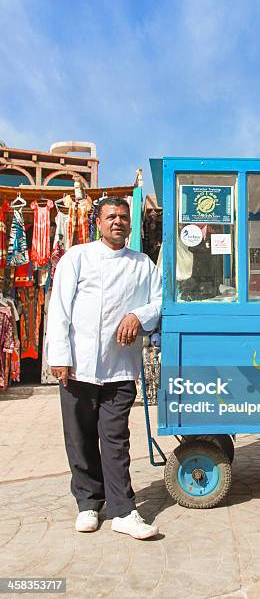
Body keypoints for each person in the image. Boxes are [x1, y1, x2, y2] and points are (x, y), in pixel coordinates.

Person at [46, 196, 162, 540]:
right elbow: (60, 308)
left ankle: (124, 511)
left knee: (115, 439)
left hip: (119, 368)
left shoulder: (142, 264)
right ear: (98, 222)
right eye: (111, 216)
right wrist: (60, 356)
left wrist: (137, 316)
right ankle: (88, 503)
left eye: (124, 217)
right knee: (79, 438)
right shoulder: (77, 257)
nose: (118, 222)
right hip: (78, 366)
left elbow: (159, 301)